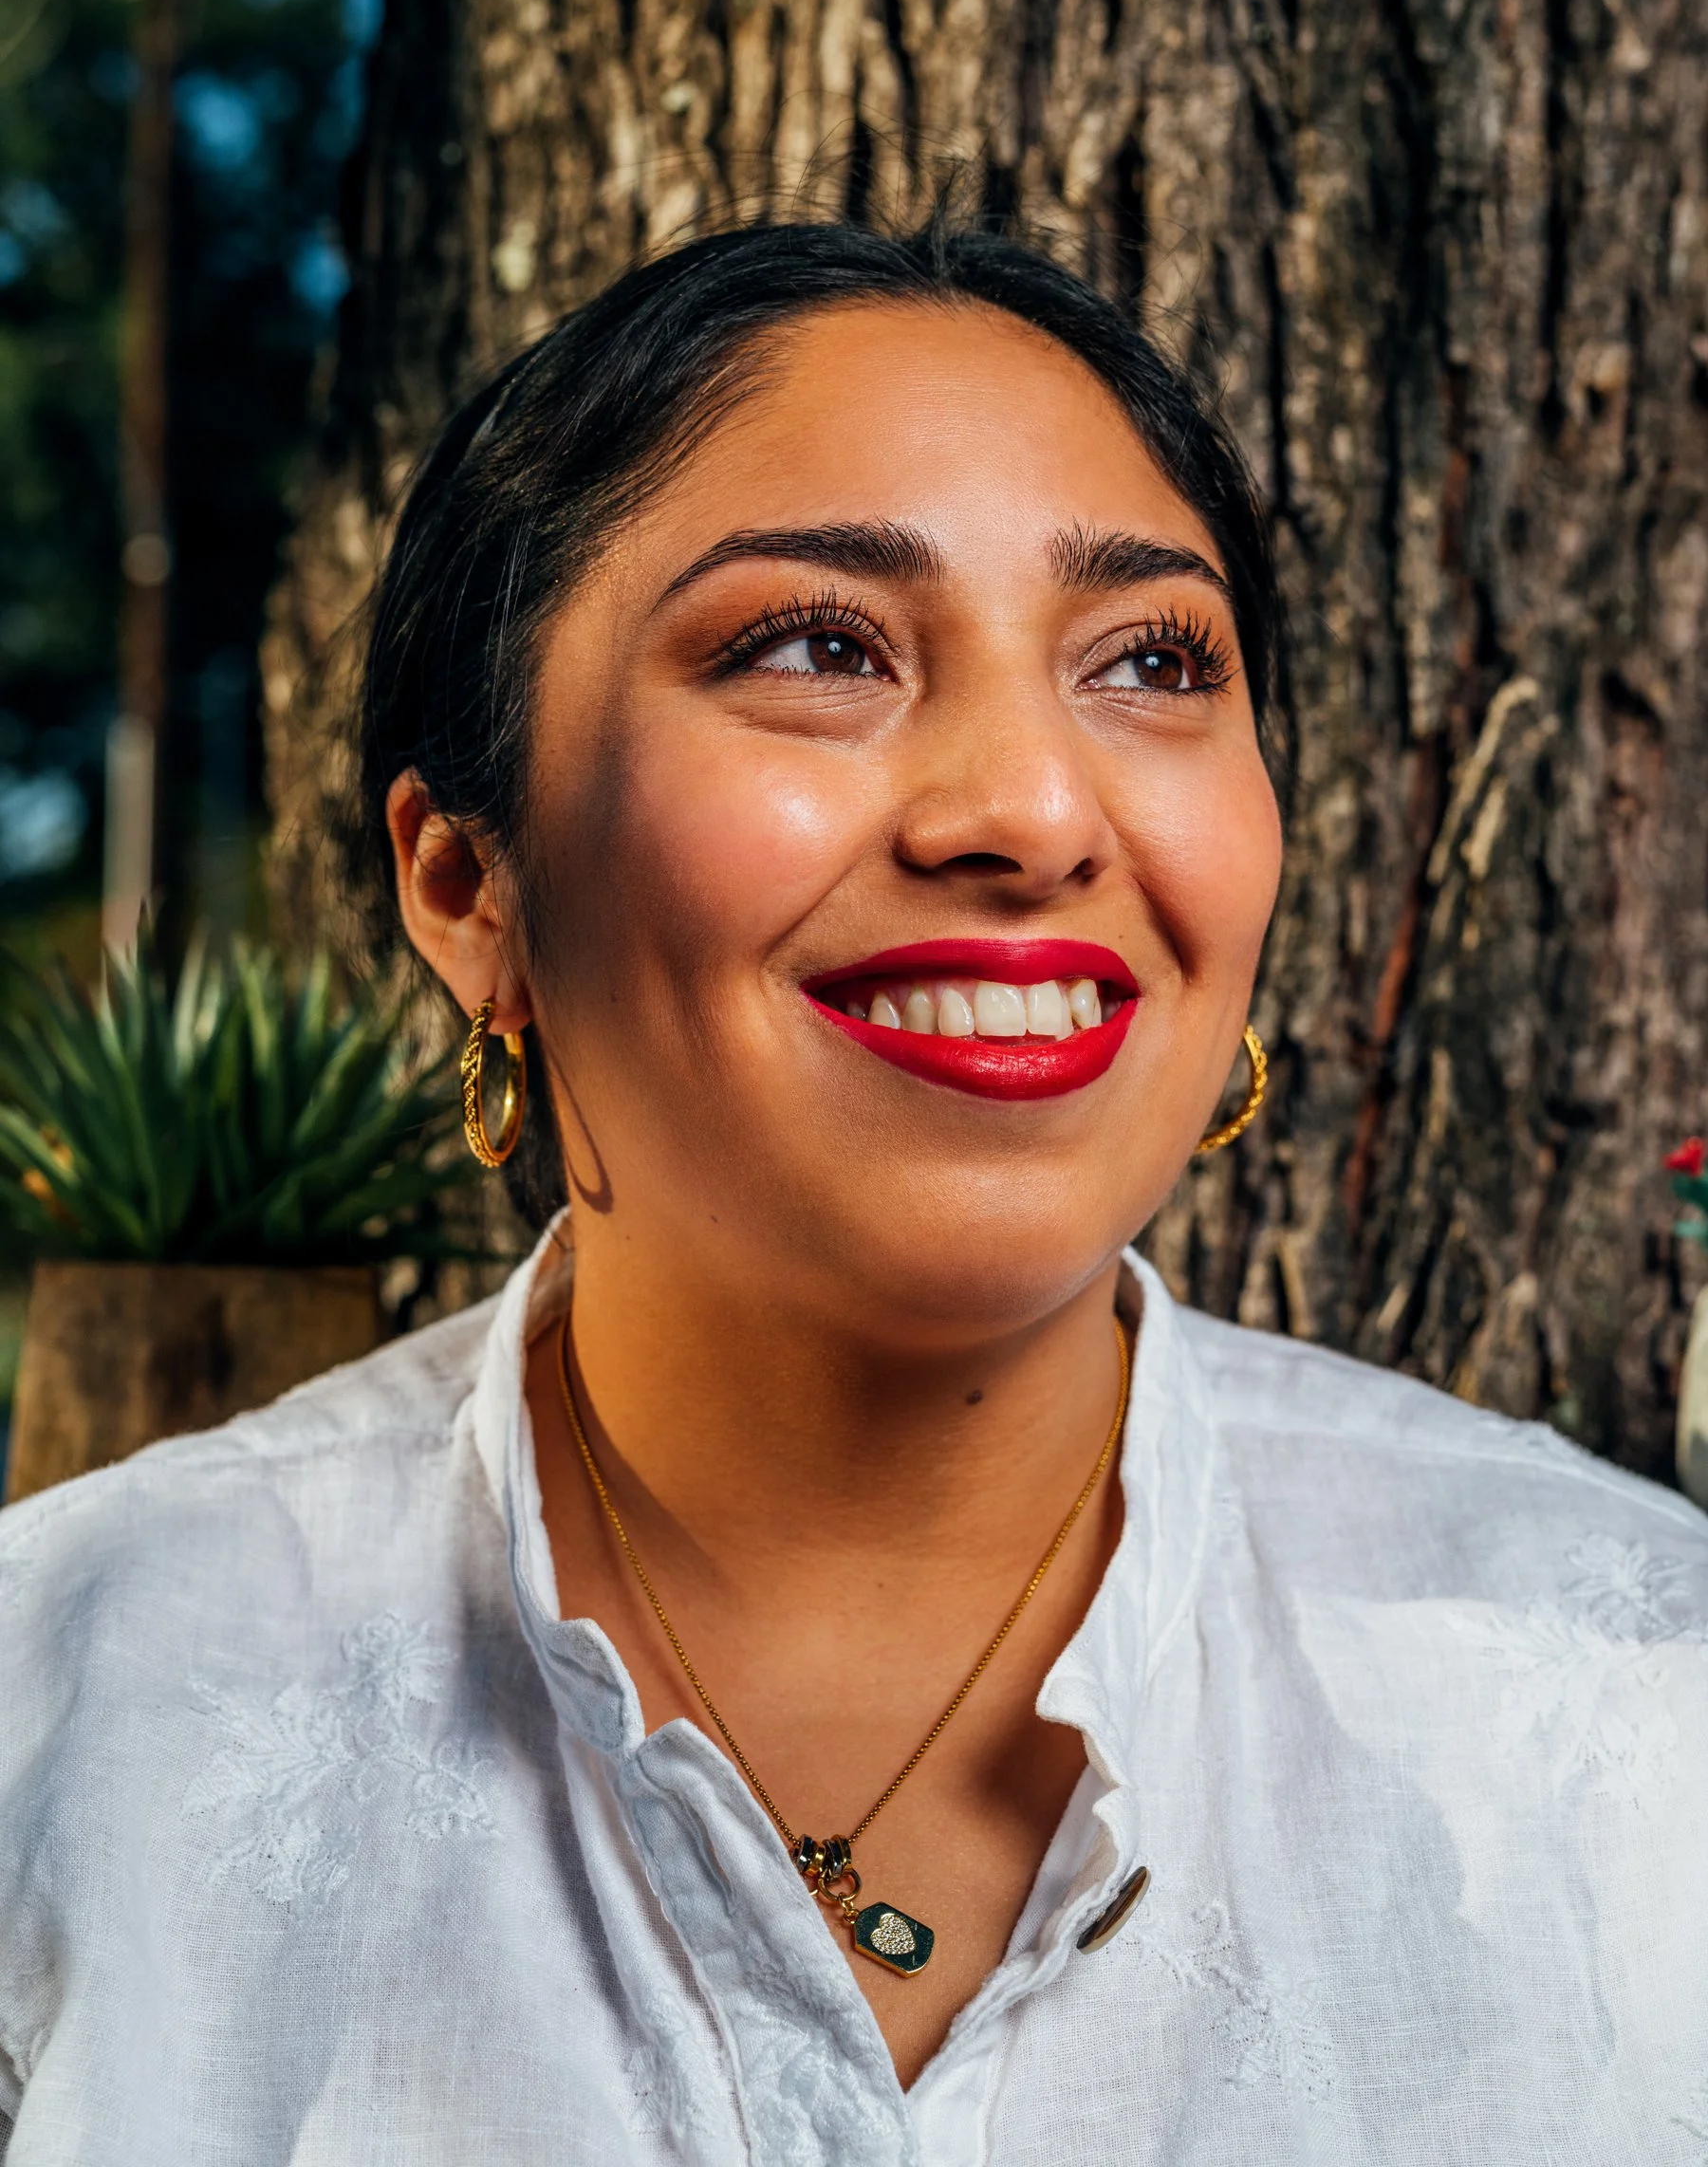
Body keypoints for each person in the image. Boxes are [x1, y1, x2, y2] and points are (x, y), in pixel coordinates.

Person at [1, 220, 1703, 2165]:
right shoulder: (62, 1736)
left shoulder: (1641, 1717)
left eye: (1152, 662)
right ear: (470, 888)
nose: (1035, 811)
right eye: (819, 648)